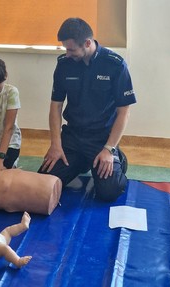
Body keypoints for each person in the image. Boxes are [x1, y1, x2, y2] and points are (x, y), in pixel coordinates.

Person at [38, 18, 137, 202]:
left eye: (71, 49)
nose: (67, 54)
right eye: (65, 49)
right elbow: (56, 106)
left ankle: (118, 159)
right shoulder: (64, 64)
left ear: (88, 43)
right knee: (43, 183)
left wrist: (108, 149)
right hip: (73, 138)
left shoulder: (115, 64)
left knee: (109, 192)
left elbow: (124, 111)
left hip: (102, 139)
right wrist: (55, 144)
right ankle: (81, 162)